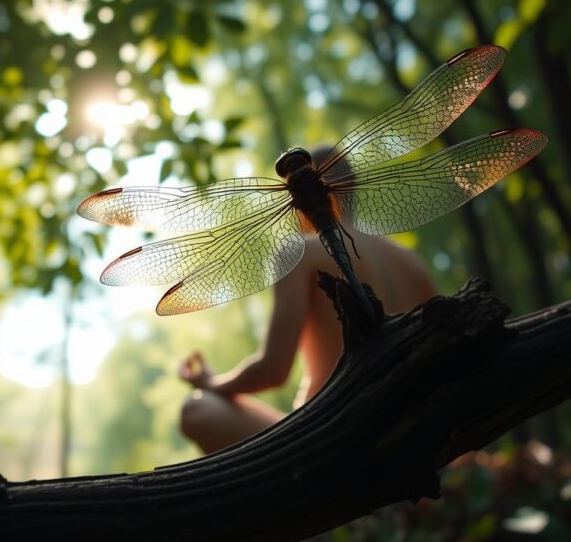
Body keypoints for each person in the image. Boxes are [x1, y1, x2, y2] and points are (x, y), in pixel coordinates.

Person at [177, 146, 438, 455]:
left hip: (330, 441)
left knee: (198, 409)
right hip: (406, 442)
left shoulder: (302, 252)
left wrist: (211, 383)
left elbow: (273, 370)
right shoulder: (413, 264)